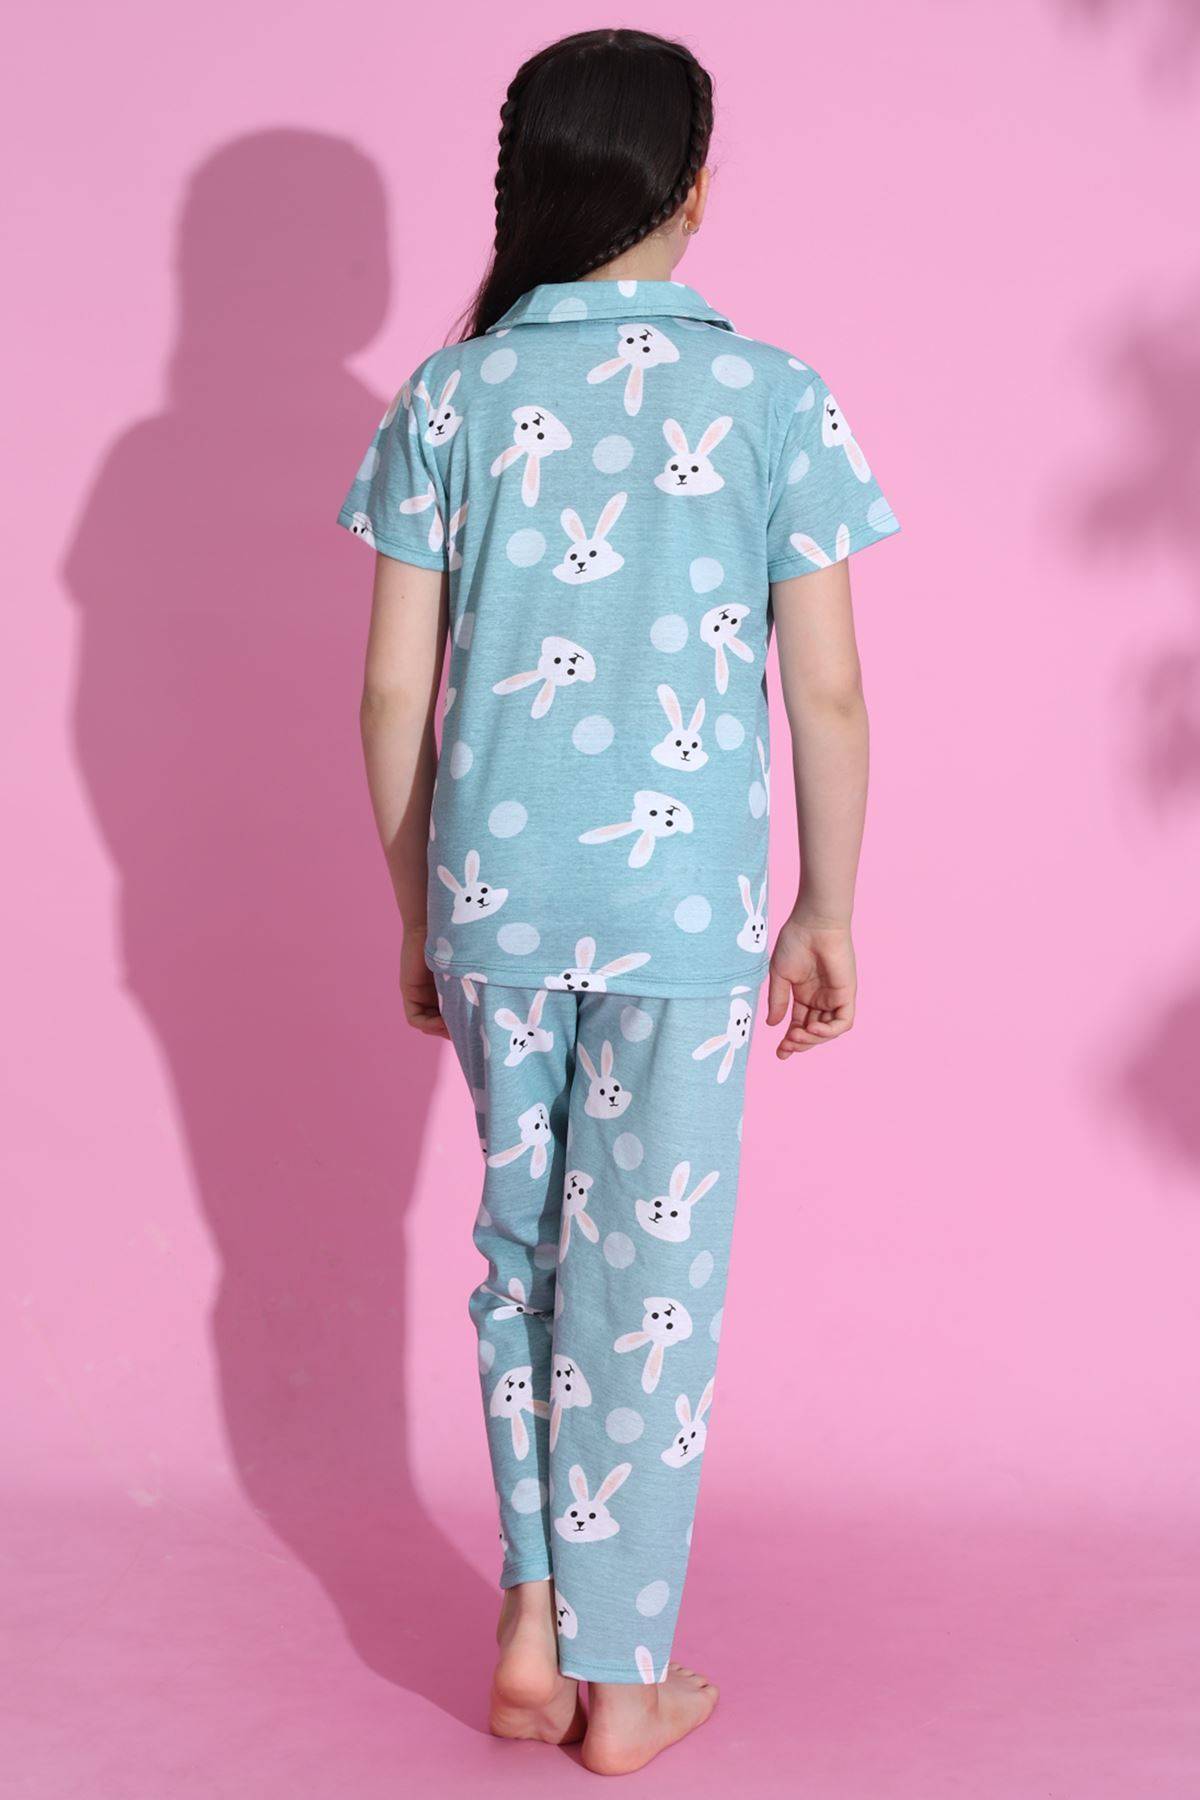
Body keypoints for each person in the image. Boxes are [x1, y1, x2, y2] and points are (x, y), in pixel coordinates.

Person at [337, 26, 900, 1776]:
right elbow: (826, 694)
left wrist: (418, 910)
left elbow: (390, 694)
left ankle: (533, 1606)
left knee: (518, 1252)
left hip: (494, 898)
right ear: (694, 187)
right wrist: (825, 906)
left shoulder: (449, 400)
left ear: (532, 187)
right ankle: (622, 1675)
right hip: (679, 913)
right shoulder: (774, 398)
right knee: (647, 1276)